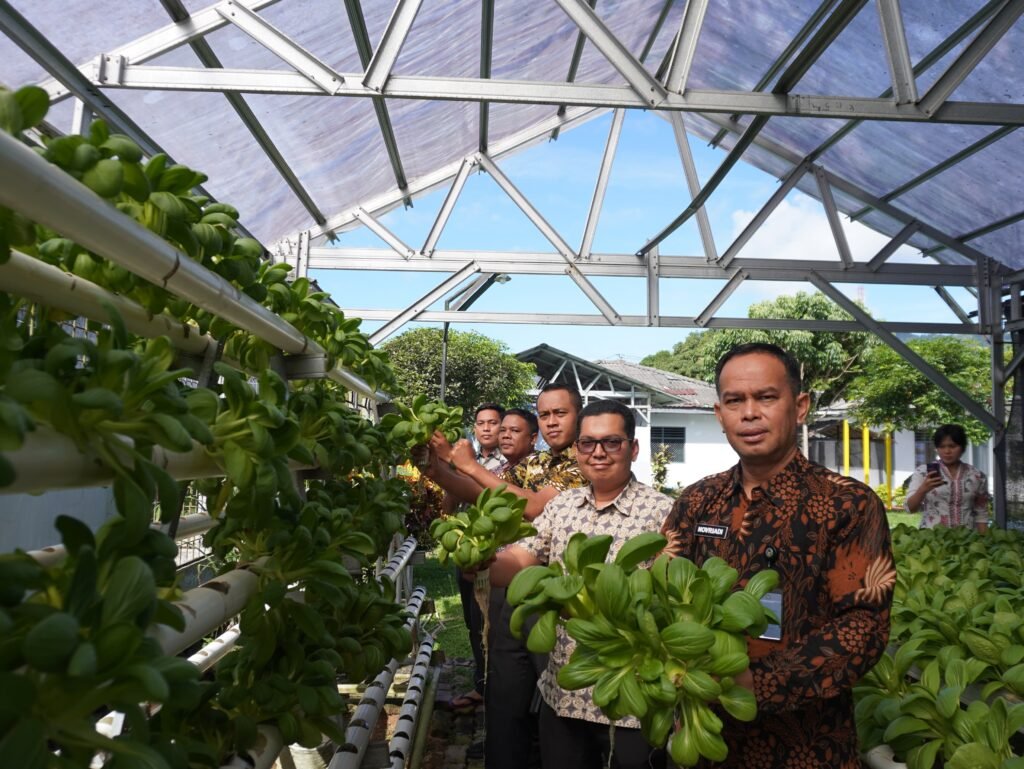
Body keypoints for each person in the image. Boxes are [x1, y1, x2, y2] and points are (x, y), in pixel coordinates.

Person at [660, 342, 896, 769]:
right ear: (720, 415)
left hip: (809, 745)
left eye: (766, 397)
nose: (749, 413)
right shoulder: (697, 502)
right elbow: (662, 593)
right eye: (735, 401)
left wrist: (757, 682)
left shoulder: (848, 505)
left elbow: (864, 628)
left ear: (800, 405)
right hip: (707, 736)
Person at [486, 400, 673, 769]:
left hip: (632, 695)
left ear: (633, 449)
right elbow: (523, 558)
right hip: (565, 691)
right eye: (588, 443)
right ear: (577, 450)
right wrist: (482, 562)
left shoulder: (662, 511)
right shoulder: (561, 507)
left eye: (612, 442)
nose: (598, 452)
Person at [431, 384, 588, 769]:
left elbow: (533, 507)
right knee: (505, 691)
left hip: (559, 597)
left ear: (579, 415)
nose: (551, 422)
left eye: (560, 413)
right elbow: (478, 492)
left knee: (556, 698)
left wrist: (468, 464)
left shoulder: (582, 460)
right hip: (513, 579)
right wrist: (434, 464)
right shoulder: (535, 465)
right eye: (546, 413)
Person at [445, 403, 505, 711]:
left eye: (492, 423)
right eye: (480, 422)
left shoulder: (509, 462)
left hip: (497, 555)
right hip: (466, 550)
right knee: (472, 619)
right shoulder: (465, 459)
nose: (485, 428)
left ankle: (500, 687)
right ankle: (481, 685)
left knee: (493, 620)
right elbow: (451, 502)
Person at [905, 423, 989, 532]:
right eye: (942, 446)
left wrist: (985, 543)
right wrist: (923, 489)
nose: (947, 451)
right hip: (931, 540)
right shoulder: (923, 472)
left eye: (952, 446)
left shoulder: (977, 476)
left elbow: (981, 514)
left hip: (967, 540)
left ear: (962, 448)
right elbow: (910, 509)